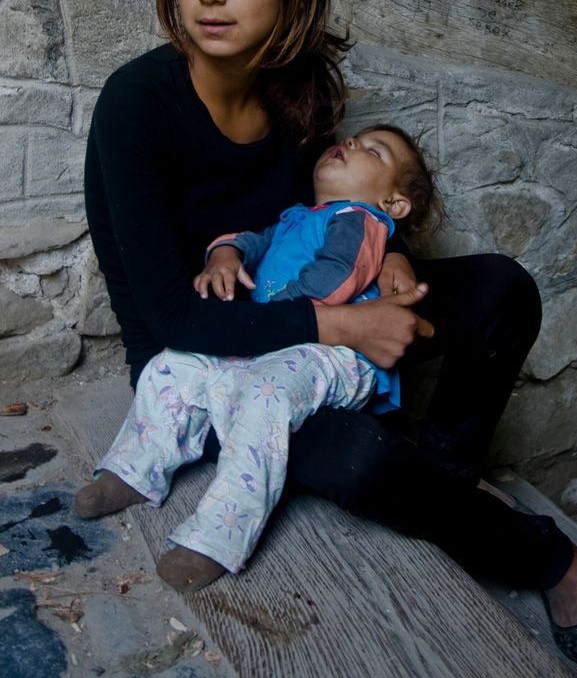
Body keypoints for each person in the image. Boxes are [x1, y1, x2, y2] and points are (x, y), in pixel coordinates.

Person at [81, 0, 577, 670]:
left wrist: (397, 260)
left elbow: (338, 212)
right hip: (207, 366)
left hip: (317, 324)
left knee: (501, 289)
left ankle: (445, 482)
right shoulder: (135, 105)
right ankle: (548, 560)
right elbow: (174, 318)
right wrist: (347, 324)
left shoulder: (296, 85)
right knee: (358, 459)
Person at [75, 125, 437, 588]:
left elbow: (334, 282)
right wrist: (225, 253)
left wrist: (266, 314)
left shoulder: (359, 220)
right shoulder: (301, 217)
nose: (350, 145)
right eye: (352, 140)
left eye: (373, 151)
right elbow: (255, 240)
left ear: (394, 203)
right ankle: (132, 469)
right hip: (283, 340)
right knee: (174, 362)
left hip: (337, 352)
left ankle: (218, 538)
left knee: (265, 397)